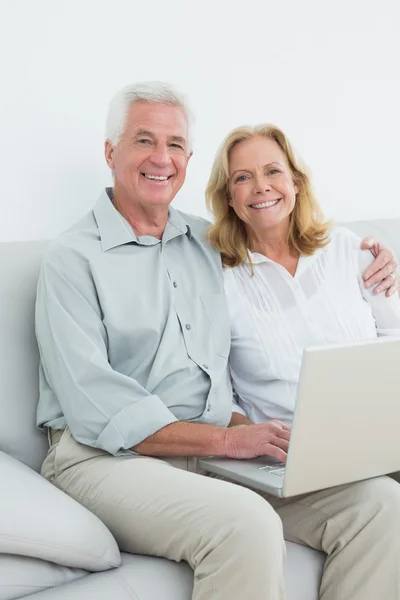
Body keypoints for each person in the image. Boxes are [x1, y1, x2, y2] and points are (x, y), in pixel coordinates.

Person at [35, 81, 398, 600]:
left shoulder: (208, 247)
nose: (162, 157)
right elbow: (97, 409)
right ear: (111, 151)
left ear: (188, 158)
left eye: (176, 144)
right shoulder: (72, 260)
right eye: (143, 140)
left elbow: (282, 238)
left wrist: (373, 260)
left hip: (211, 455)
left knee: (381, 508)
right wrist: (228, 439)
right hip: (107, 458)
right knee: (246, 524)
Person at [206, 123, 400, 600]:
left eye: (273, 171)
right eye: (242, 178)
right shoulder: (217, 280)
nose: (261, 187)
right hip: (286, 464)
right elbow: (212, 395)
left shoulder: (348, 250)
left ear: (296, 182)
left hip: (374, 442)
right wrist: (245, 436)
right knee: (384, 503)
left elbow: (393, 339)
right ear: (229, 199)